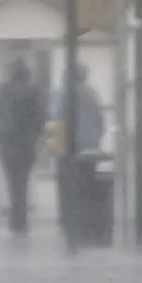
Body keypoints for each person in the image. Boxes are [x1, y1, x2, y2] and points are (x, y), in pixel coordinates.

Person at [0, 58, 47, 235]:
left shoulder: (3, 91)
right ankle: (21, 217)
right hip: (26, 143)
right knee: (23, 180)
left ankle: (15, 217)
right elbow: (40, 117)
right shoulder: (33, 92)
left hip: (7, 143)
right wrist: (37, 135)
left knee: (12, 181)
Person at [49, 64, 106, 233]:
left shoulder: (59, 94)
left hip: (66, 147)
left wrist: (54, 148)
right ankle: (85, 218)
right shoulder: (91, 94)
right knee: (87, 183)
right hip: (89, 147)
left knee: (66, 185)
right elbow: (100, 121)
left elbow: (55, 120)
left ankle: (68, 219)